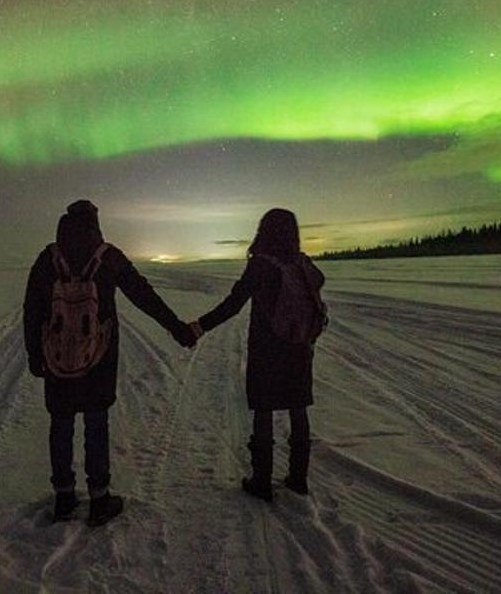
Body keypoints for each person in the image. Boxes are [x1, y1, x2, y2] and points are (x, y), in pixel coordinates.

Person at [23, 199, 196, 526]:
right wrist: (177, 328)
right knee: (95, 424)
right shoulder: (107, 257)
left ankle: (64, 497)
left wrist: (35, 354)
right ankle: (100, 499)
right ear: (95, 224)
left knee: (60, 424)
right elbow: (143, 295)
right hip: (98, 361)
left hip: (56, 361)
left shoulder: (48, 259)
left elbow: (32, 309)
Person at [189, 208, 325, 502]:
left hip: (268, 348)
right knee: (298, 409)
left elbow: (233, 304)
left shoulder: (261, 265)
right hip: (299, 348)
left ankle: (261, 480)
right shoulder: (301, 263)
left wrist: (201, 327)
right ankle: (298, 478)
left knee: (264, 410)